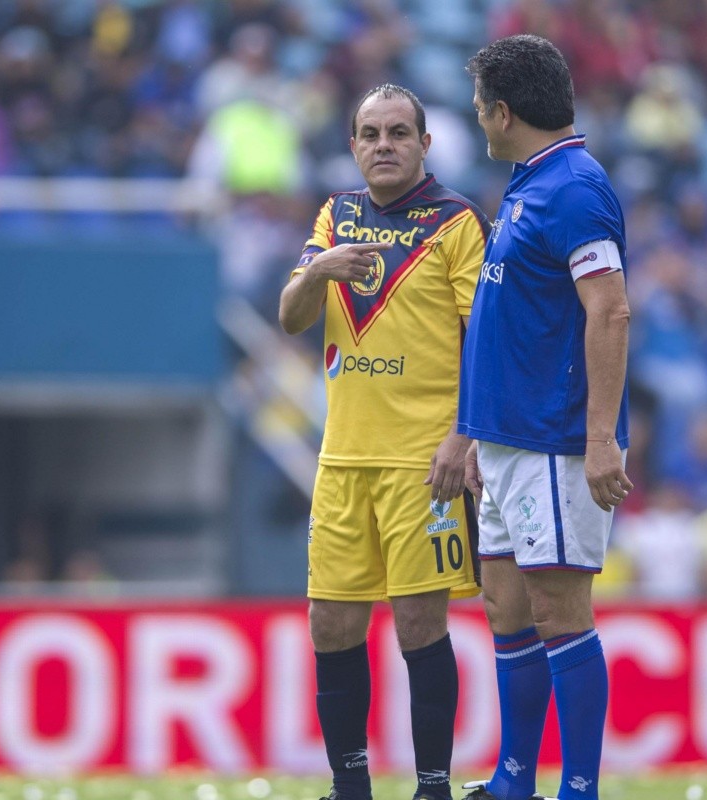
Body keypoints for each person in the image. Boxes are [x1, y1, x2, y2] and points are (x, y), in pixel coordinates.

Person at [278, 83, 490, 800]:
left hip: (421, 463)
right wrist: (319, 269)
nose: (384, 145)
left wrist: (464, 437)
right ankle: (351, 785)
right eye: (370, 133)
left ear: (425, 145)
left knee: (419, 624)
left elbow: (484, 339)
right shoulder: (334, 217)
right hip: (342, 460)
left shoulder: (457, 220)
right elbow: (288, 317)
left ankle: (432, 786)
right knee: (330, 622)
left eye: (399, 133)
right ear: (353, 145)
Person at [458, 36, 633, 800]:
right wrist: (474, 431)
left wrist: (599, 439)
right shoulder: (531, 182)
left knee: (560, 609)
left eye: (478, 109)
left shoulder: (575, 188)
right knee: (506, 605)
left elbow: (611, 309)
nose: (477, 122)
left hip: (554, 442)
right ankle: (513, 780)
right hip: (504, 439)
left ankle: (581, 788)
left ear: (502, 110)